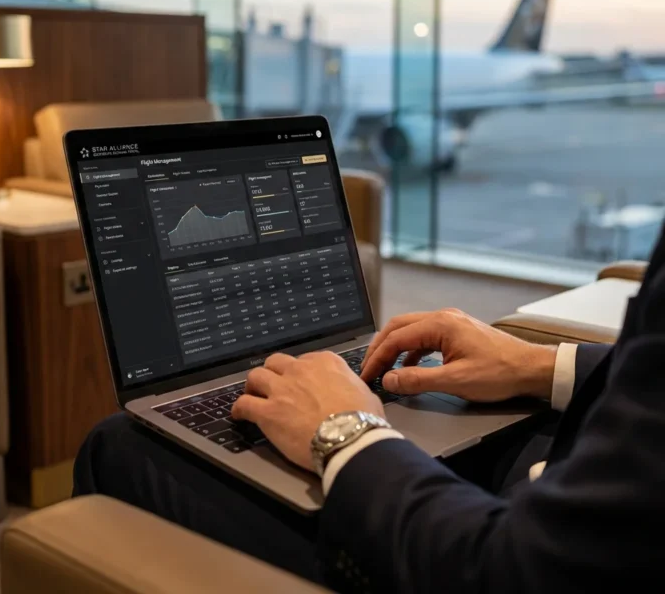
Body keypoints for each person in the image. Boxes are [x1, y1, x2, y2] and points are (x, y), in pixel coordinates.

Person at [74, 228, 665, 592]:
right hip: (582, 491)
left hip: (501, 554)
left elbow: (514, 574)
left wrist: (347, 433)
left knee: (119, 445)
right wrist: (537, 367)